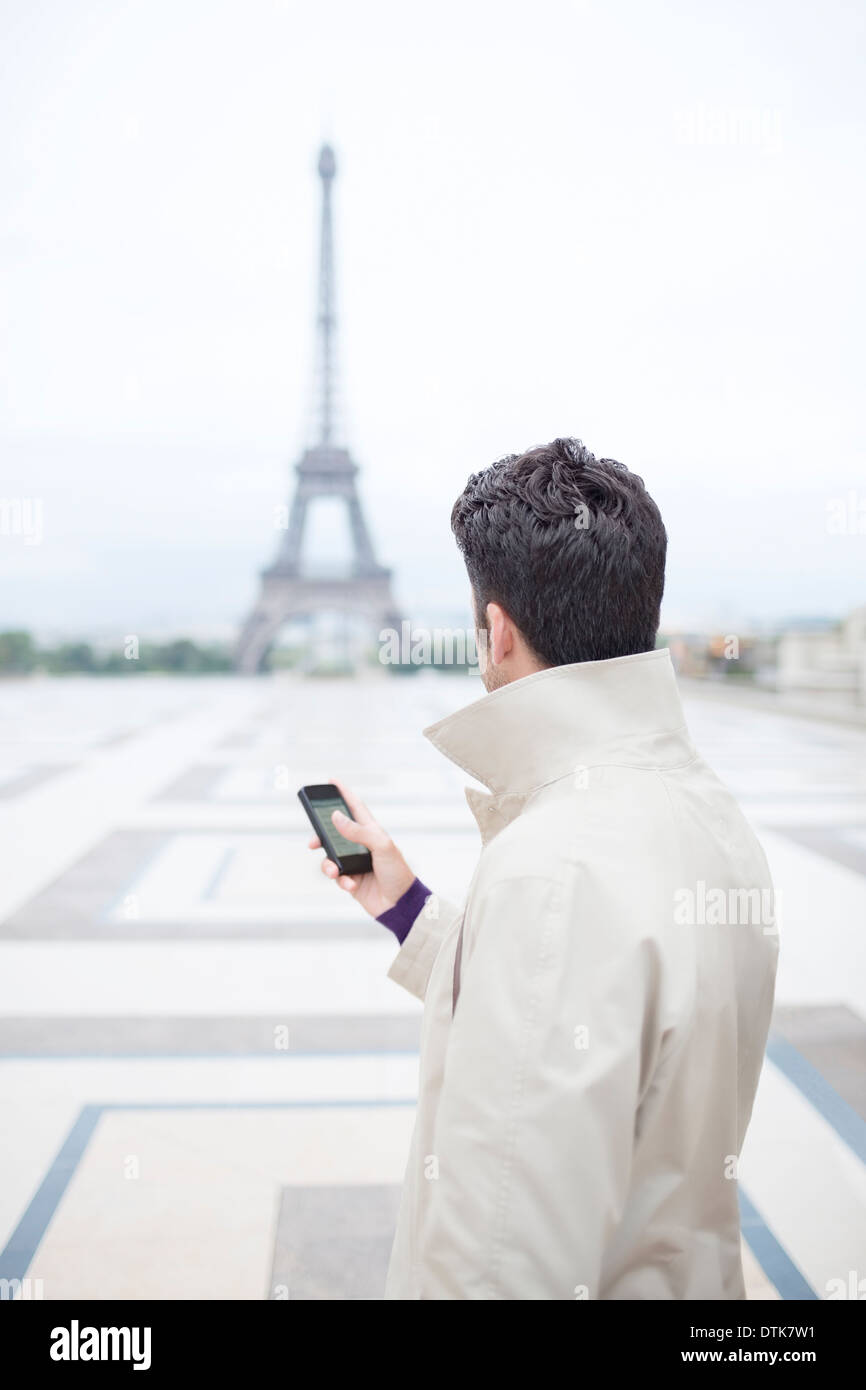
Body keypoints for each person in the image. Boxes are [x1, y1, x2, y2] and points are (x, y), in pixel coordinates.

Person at [307, 436, 779, 1300]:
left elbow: (497, 1267)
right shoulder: (704, 809)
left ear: (496, 630)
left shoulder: (551, 869)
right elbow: (606, 998)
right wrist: (409, 910)